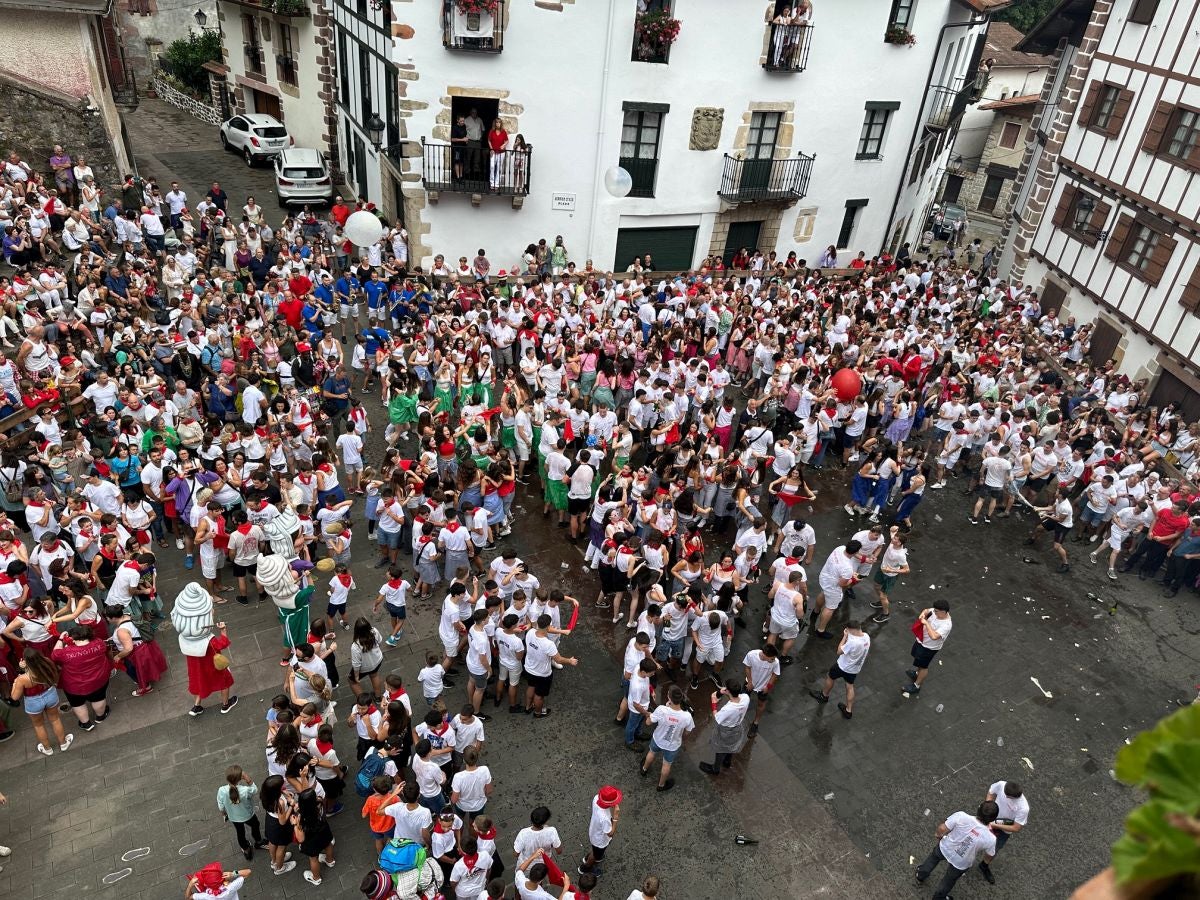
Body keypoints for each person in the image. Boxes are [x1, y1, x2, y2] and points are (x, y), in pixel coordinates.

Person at [915, 801, 999, 900]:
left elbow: (942, 828)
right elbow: (990, 854)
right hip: (962, 861)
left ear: (979, 808)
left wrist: (938, 836)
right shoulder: (991, 838)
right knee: (949, 880)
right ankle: (939, 897)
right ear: (993, 819)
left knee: (933, 859)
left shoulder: (961, 816)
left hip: (946, 847)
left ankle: (921, 874)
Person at [11, 648, 72, 756]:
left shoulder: (23, 679)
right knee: (55, 720)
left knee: (39, 725)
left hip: (33, 701)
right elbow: (54, 676)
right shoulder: (47, 662)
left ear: (26, 661)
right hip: (50, 694)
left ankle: (47, 749)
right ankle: (63, 743)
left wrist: (15, 682)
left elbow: (15, 697)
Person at [809, 621, 870, 719]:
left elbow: (839, 651)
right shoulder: (867, 637)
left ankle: (824, 695)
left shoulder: (852, 642)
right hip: (854, 669)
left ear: (851, 630)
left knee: (830, 677)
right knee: (850, 686)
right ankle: (848, 710)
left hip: (842, 666)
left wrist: (845, 637)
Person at [640, 684, 694, 792]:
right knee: (666, 764)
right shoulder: (687, 716)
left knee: (651, 753)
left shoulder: (661, 709)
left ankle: (644, 769)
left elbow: (648, 722)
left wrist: (649, 715)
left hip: (658, 739)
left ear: (669, 697)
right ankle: (661, 785)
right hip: (672, 745)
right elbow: (688, 732)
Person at [980, 780, 1029, 884]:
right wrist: (988, 806)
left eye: (1008, 796)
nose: (1005, 797)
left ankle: (984, 865)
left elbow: (1016, 827)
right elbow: (991, 792)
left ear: (1015, 797)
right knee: (975, 838)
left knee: (994, 849)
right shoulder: (1002, 784)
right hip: (991, 818)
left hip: (1004, 827)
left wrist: (994, 824)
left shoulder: (1023, 808)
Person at [216, 765, 268, 861]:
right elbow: (255, 790)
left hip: (233, 817)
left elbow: (221, 806)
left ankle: (246, 848)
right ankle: (259, 841)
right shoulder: (245, 790)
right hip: (248, 815)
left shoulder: (221, 790)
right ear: (240, 778)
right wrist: (248, 779)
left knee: (240, 832)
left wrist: (224, 815)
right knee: (255, 825)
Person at [698, 681, 749, 776]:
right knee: (731, 745)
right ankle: (727, 761)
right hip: (737, 727)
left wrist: (713, 702)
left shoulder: (728, 708)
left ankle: (715, 769)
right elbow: (738, 696)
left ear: (728, 691)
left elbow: (716, 718)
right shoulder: (746, 698)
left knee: (721, 749)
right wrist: (724, 692)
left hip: (726, 731)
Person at [904, 599, 952, 695]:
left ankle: (916, 685)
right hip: (921, 641)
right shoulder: (936, 611)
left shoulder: (946, 625)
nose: (934, 612)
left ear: (943, 612)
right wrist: (922, 614)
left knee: (923, 666)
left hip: (929, 648)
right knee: (917, 659)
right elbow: (926, 610)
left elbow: (934, 636)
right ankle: (917, 674)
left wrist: (926, 623)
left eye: (936, 611)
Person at [577, 785, 621, 878]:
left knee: (595, 851)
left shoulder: (596, 798)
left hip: (594, 832)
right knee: (596, 854)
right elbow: (610, 833)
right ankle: (585, 867)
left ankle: (589, 858)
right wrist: (616, 818)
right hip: (600, 840)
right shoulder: (604, 818)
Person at [185, 863, 252, 900]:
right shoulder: (231, 887)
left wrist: (190, 885)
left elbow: (188, 898)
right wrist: (233, 874)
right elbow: (248, 872)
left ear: (206, 885)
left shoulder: (206, 896)